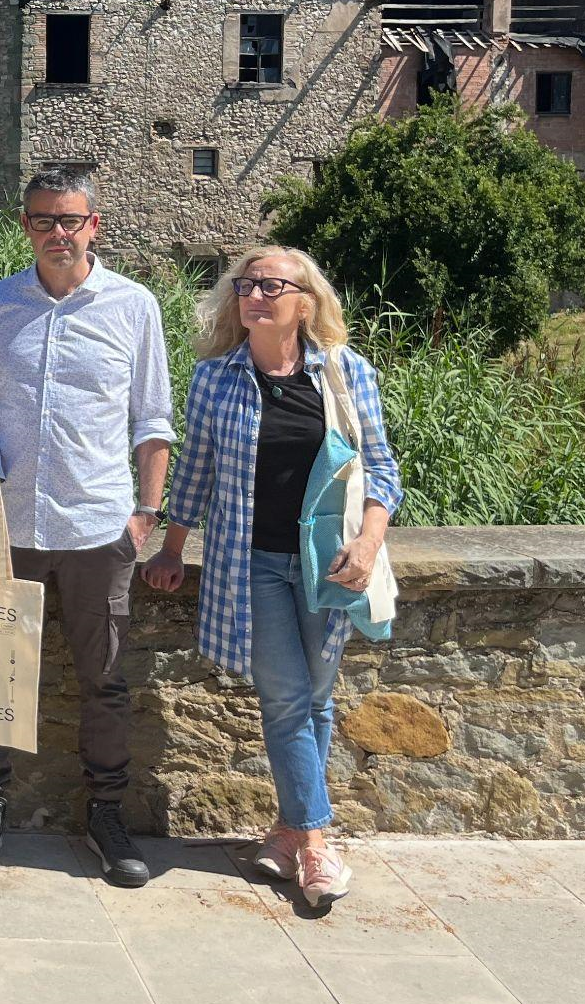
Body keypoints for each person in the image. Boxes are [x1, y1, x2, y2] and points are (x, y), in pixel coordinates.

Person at [143, 247, 401, 909]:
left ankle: (286, 832)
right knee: (287, 697)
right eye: (245, 285)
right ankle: (316, 843)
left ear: (304, 303)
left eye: (270, 286)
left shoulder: (345, 373)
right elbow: (195, 469)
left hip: (329, 562)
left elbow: (381, 469)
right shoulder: (216, 378)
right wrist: (172, 548)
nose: (254, 295)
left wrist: (369, 544)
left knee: (315, 697)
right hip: (250, 562)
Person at [0, 164, 173, 889]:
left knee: (104, 681)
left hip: (97, 528)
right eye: (43, 220)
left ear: (93, 226)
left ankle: (106, 814)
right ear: (25, 226)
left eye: (70, 220)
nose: (57, 233)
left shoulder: (133, 306)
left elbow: (152, 419)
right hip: (8, 524)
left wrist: (144, 515)